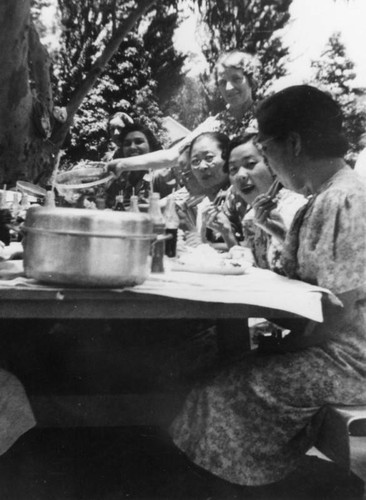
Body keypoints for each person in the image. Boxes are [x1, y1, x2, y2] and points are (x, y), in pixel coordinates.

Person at [170, 85, 366, 489]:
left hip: (351, 358)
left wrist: (283, 346)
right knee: (216, 367)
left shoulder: (341, 200)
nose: (270, 165)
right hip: (336, 346)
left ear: (293, 143)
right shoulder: (332, 195)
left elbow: (338, 311)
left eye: (266, 149)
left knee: (226, 390)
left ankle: (231, 486)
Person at [104, 51, 260, 181]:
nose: (229, 87)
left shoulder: (266, 115)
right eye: (222, 82)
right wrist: (123, 164)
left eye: (236, 79)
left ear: (251, 80)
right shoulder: (214, 124)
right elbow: (173, 155)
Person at [205, 133, 306, 272]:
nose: (240, 175)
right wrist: (227, 234)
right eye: (233, 169)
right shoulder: (250, 219)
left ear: (272, 165)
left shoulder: (297, 209)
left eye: (250, 164)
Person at [104, 120, 163, 208]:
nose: (132, 147)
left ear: (150, 146)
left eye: (139, 142)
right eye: (127, 144)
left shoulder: (160, 175)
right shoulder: (120, 178)